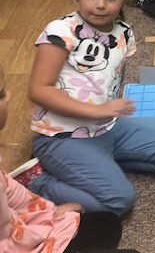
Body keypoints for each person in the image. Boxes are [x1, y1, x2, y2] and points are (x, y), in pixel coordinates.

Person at [26, 0, 155, 216]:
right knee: (120, 201)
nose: (100, 5)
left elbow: (110, 77)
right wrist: (98, 110)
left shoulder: (123, 32)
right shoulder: (60, 31)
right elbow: (38, 90)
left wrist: (106, 111)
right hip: (60, 137)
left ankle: (97, 164)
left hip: (105, 128)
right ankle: (39, 183)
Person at [0, 64, 141, 253]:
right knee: (117, 211)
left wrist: (50, 213)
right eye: (1, 95)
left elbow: (14, 196)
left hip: (22, 234)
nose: (9, 95)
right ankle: (39, 182)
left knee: (109, 224)